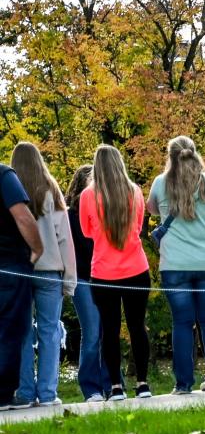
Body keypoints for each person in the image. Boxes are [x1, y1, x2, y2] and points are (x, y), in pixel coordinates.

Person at [147, 136, 205, 394]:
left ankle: (183, 384)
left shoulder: (161, 184)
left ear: (170, 156)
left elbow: (151, 209)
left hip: (175, 265)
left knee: (182, 324)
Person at [79, 144, 152, 401]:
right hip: (137, 268)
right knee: (137, 327)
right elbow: (140, 225)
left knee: (109, 330)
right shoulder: (135, 191)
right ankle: (143, 384)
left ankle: (115, 387)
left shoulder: (88, 195)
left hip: (104, 272)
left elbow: (86, 231)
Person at [11, 142, 76, 407]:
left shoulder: (11, 192)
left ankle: (25, 392)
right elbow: (65, 238)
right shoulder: (51, 191)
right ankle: (48, 393)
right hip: (50, 269)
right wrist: (70, 279)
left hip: (21, 270)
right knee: (49, 332)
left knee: (23, 332)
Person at [66, 165, 112, 402]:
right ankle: (91, 388)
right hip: (83, 279)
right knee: (92, 332)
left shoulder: (105, 213)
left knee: (108, 333)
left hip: (106, 277)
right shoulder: (70, 215)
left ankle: (111, 384)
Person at [0, 163, 43, 411]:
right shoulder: (5, 175)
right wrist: (37, 248)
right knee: (10, 328)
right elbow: (22, 216)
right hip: (8, 263)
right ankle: (3, 393)